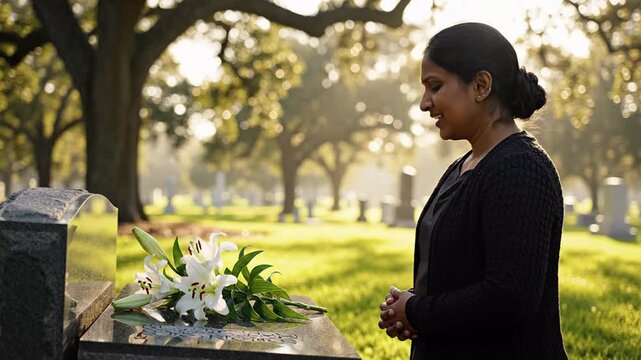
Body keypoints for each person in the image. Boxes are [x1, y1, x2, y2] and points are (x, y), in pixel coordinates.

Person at [377, 22, 568, 359]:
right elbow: (463, 273)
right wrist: (411, 304)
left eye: (434, 86)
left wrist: (420, 311)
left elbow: (510, 297)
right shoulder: (466, 165)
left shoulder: (521, 168)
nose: (424, 103)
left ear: (480, 85)